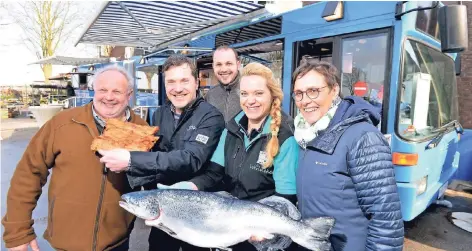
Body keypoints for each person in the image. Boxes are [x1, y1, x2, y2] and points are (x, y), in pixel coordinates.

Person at [2, 66, 148, 251]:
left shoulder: (142, 130)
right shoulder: (62, 124)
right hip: (67, 242)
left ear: (129, 95)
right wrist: (17, 232)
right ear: (93, 90)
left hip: (117, 242)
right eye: (103, 90)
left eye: (117, 91)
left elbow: (148, 179)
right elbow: (28, 174)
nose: (109, 97)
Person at [159, 62, 300, 251]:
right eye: (244, 94)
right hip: (230, 227)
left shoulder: (284, 138)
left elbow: (285, 199)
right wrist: (187, 187)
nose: (250, 100)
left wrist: (264, 228)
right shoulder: (231, 129)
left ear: (272, 95)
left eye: (258, 93)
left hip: (262, 232)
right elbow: (213, 175)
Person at [98, 55, 225, 251]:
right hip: (163, 211)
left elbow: (191, 159)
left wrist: (132, 160)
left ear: (196, 82)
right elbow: (154, 153)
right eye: (171, 82)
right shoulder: (159, 113)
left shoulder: (210, 116)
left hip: (196, 212)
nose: (178, 88)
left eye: (184, 81)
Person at [292, 60, 404, 251]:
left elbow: (386, 218)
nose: (305, 100)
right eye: (299, 94)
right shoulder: (307, 135)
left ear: (334, 90)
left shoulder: (362, 137)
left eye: (313, 91)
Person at [204, 46, 242, 121]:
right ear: (213, 66)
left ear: (238, 65)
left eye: (229, 63)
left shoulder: (250, 90)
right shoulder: (210, 95)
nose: (224, 69)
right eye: (219, 64)